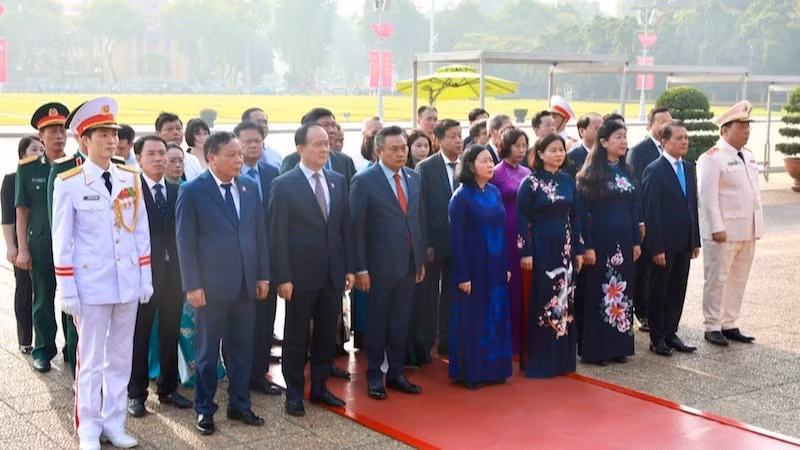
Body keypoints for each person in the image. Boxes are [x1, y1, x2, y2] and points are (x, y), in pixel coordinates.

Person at [51, 97, 152, 450]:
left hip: (126, 283)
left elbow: (140, 231)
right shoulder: (70, 182)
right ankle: (89, 428)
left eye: (113, 133)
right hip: (90, 284)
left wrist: (145, 277)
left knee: (120, 358)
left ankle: (114, 422)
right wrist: (66, 288)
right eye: (102, 134)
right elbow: (61, 240)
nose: (112, 140)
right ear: (84, 141)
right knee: (91, 360)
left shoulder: (130, 176)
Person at [176, 131, 270, 435]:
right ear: (211, 157)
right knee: (206, 353)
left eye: (240, 154)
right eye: (232, 154)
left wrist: (262, 275)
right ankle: (205, 409)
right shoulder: (192, 191)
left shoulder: (249, 186)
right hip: (211, 288)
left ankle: (239, 405)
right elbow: (185, 242)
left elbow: (259, 236)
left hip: (245, 285)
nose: (239, 160)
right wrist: (192, 284)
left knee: (243, 349)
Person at [269, 122, 354, 417]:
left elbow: (344, 229)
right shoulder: (284, 184)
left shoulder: (337, 180)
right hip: (299, 276)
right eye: (317, 143)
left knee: (326, 336)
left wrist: (348, 268)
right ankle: (293, 393)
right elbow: (277, 235)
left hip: (332, 273)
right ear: (300, 148)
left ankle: (319, 387)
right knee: (295, 337)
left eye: (327, 143)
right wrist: (283, 276)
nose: (324, 148)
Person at [351, 126, 426, 400]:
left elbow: (417, 220)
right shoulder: (364, 180)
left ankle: (396, 373)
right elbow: (356, 228)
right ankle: (374, 376)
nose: (401, 153)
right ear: (379, 151)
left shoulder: (413, 177)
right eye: (394, 149)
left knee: (400, 322)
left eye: (404, 147)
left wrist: (419, 260)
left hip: (408, 265)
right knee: (377, 324)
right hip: (378, 268)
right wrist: (360, 268)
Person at [127, 136, 193, 418]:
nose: (158, 158)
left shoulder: (179, 191)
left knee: (170, 331)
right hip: (142, 276)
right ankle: (136, 393)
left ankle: (167, 388)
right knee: (139, 335)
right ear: (138, 158)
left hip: (174, 276)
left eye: (162, 153)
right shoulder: (129, 192)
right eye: (151, 153)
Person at [517, 133, 584, 377]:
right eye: (553, 150)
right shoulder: (530, 183)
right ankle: (541, 360)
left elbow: (575, 215)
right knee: (543, 298)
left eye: (561, 150)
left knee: (565, 299)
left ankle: (562, 360)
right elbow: (522, 219)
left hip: (565, 246)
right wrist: (526, 252)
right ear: (541, 153)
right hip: (542, 245)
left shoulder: (568, 181)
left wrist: (578, 248)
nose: (558, 154)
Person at [576, 120, 641, 365]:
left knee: (622, 291)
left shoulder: (627, 171)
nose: (623, 142)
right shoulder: (590, 174)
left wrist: (636, 241)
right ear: (603, 142)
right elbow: (581, 213)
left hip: (624, 240)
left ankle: (618, 346)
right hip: (600, 240)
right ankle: (596, 350)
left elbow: (635, 208)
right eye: (618, 137)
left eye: (625, 137)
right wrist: (587, 246)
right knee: (599, 291)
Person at [697, 101, 762, 346]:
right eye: (741, 126)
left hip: (747, 229)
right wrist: (716, 227)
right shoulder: (712, 157)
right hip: (723, 232)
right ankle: (712, 325)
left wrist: (758, 225)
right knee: (717, 278)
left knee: (738, 279)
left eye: (747, 126)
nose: (746, 131)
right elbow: (707, 196)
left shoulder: (749, 156)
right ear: (724, 130)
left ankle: (729, 322)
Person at [449, 144, 512, 389]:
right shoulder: (461, 196)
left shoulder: (495, 192)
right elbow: (456, 238)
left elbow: (502, 229)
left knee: (495, 315)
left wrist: (506, 263)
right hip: (473, 266)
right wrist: (463, 274)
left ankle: (495, 369)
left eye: (490, 160)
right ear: (470, 165)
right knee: (474, 318)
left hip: (496, 264)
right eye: (484, 161)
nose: (489, 165)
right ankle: (473, 372)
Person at [15, 102, 69, 373]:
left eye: (62, 131)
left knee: (72, 298)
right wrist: (21, 249)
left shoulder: (76, 165)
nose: (59, 136)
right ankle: (43, 349)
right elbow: (21, 211)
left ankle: (73, 347)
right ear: (41, 136)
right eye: (52, 131)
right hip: (40, 242)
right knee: (43, 298)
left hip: (71, 244)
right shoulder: (28, 169)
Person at [642, 121, 700, 356]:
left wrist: (695, 240)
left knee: (678, 289)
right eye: (678, 138)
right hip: (664, 243)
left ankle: (671, 332)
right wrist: (656, 247)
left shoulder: (688, 167)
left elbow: (692, 206)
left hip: (684, 241)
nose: (684, 142)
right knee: (660, 290)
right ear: (664, 141)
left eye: (686, 138)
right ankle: (657, 338)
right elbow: (651, 212)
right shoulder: (654, 170)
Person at [233, 121, 282, 396]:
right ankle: (238, 375)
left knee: (265, 321)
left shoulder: (273, 172)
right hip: (238, 263)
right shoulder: (229, 175)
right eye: (247, 141)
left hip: (268, 260)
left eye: (257, 141)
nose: (253, 146)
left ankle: (259, 374)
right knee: (239, 324)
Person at [417, 119, 463, 357]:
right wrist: (426, 244)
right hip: (435, 242)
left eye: (460, 134)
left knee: (452, 294)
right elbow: (420, 208)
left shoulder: (467, 165)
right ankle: (425, 343)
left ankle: (448, 340)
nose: (458, 139)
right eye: (453, 136)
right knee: (429, 294)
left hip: (460, 242)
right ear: (439, 139)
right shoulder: (426, 167)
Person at [626, 107, 673, 332]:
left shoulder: (672, 150)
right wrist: (640, 222)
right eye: (661, 122)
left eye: (669, 122)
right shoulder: (639, 151)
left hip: (667, 221)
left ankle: (659, 310)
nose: (666, 126)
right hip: (646, 220)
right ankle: (641, 311)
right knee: (644, 269)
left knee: (662, 269)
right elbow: (636, 190)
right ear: (650, 125)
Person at [491, 127, 531, 356]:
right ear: (506, 146)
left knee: (523, 287)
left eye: (524, 146)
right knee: (507, 286)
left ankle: (523, 338)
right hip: (504, 232)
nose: (521, 150)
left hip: (525, 233)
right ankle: (505, 338)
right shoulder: (496, 172)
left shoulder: (528, 171)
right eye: (517, 145)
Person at [2, 136, 42, 354]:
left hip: (45, 241)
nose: (38, 153)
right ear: (22, 155)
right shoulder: (11, 179)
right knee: (25, 290)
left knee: (46, 293)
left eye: (41, 149)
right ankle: (25, 338)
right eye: (33, 149)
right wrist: (11, 247)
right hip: (22, 243)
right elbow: (8, 217)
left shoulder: (50, 176)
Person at [281, 108, 357, 187]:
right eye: (326, 125)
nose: (332, 130)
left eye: (333, 125)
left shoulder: (345, 161)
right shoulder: (292, 160)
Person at [156, 112, 201, 180]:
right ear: (158, 134)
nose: (176, 132)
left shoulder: (193, 160)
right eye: (169, 129)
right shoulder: (151, 162)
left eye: (178, 128)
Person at [565, 113, 602, 178]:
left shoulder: (609, 154)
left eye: (603, 128)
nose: (601, 132)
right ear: (582, 131)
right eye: (597, 128)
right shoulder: (571, 158)